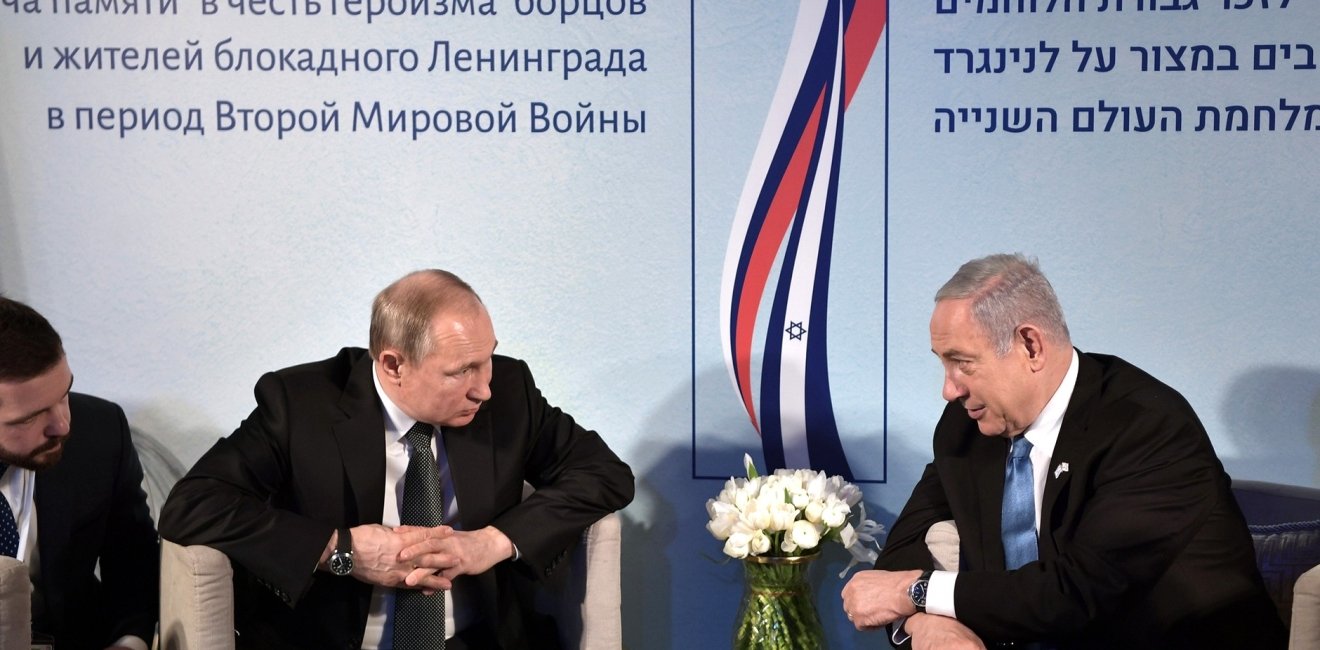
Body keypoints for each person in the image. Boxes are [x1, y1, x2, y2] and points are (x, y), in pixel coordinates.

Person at [158, 269, 635, 650]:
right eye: (461, 370)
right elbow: (192, 505)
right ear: (392, 365)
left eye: (487, 358)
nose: (483, 387)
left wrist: (493, 542)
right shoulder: (300, 405)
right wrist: (339, 549)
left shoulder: (508, 393)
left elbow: (604, 474)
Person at [841, 254, 1286, 649]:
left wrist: (918, 593)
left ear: (1030, 345)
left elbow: (1075, 594)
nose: (948, 389)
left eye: (963, 363)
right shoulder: (968, 426)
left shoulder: (1146, 425)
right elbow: (904, 546)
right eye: (942, 362)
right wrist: (925, 624)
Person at [0, 297, 159, 650]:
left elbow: (133, 558)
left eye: (64, 393)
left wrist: (130, 641)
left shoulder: (100, 431)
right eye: (29, 418)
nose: (62, 424)